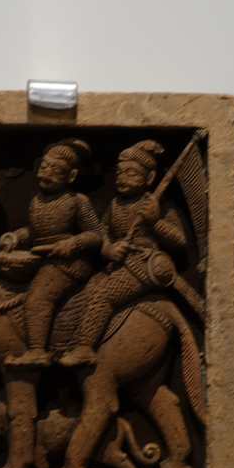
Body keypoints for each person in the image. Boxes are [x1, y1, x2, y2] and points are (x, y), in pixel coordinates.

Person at [59, 140, 186, 367]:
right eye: (119, 172)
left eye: (131, 173)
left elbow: (180, 241)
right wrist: (109, 248)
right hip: (118, 264)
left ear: (149, 178)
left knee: (104, 297)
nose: (122, 178)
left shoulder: (156, 204)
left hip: (144, 265)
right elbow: (103, 232)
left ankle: (85, 348)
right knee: (84, 292)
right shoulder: (116, 203)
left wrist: (155, 222)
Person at [0, 139, 101, 368]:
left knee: (38, 298)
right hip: (43, 259)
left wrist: (75, 242)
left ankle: (37, 352)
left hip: (70, 263)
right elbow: (32, 231)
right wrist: (15, 237)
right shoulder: (36, 200)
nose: (46, 173)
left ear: (71, 176)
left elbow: (96, 235)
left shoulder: (77, 201)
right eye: (44, 166)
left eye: (56, 169)